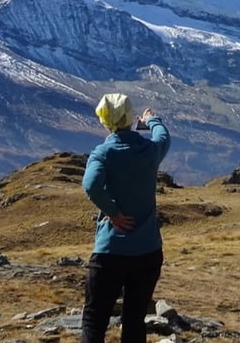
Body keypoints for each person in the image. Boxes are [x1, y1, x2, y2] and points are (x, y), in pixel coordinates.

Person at [80, 93, 172, 343]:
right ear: (131, 117)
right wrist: (152, 120)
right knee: (134, 320)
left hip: (111, 250)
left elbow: (90, 185)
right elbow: (163, 136)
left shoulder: (103, 153)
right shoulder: (150, 150)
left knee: (94, 320)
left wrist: (113, 213)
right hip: (148, 251)